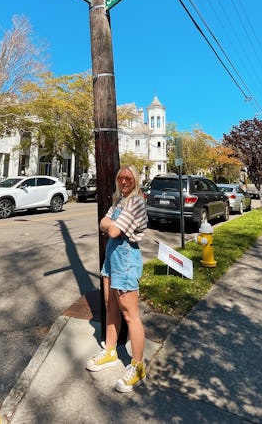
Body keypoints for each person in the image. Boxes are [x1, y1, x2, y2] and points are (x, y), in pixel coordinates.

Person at [86, 165, 148, 393]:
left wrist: (110, 225)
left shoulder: (136, 202)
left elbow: (110, 230)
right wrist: (110, 225)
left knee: (130, 314)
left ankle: (138, 365)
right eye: (121, 178)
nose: (124, 181)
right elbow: (104, 222)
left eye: (128, 178)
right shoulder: (119, 201)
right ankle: (111, 350)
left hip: (126, 260)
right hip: (111, 259)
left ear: (136, 180)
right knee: (110, 305)